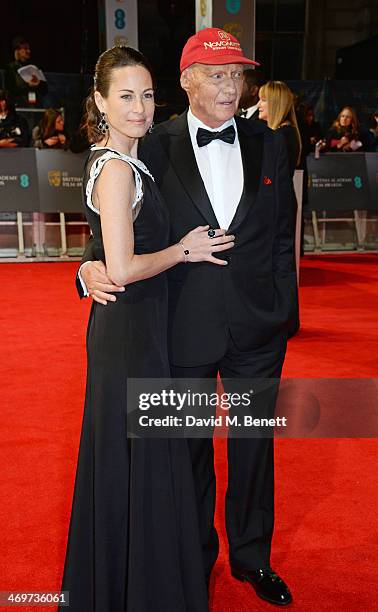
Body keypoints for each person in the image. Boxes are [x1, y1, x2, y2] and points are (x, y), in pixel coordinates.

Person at [79, 29, 297, 607]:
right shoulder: (151, 141)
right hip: (181, 330)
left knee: (255, 451)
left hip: (257, 330)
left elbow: (281, 236)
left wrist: (284, 312)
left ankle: (253, 559)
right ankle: (192, 557)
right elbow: (118, 220)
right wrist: (87, 269)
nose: (230, 86)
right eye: (217, 74)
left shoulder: (272, 143)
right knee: (189, 451)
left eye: (237, 74)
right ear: (188, 81)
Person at [59, 45, 236, 612]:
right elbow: (123, 268)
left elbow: (106, 252)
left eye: (147, 95)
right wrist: (182, 251)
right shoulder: (114, 167)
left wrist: (87, 266)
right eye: (126, 96)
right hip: (131, 336)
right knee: (136, 461)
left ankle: (134, 587)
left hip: (140, 332)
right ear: (100, 102)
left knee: (137, 463)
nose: (140, 108)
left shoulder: (127, 160)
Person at [257, 80, 302, 177]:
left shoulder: (281, 135)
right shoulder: (286, 132)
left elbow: (273, 178)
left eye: (263, 100)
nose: (258, 105)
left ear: (276, 103)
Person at [4, 36, 47, 107]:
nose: (29, 51)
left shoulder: (34, 67)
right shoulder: (10, 68)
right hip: (19, 108)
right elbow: (10, 91)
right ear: (17, 51)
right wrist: (28, 86)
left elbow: (45, 90)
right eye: (25, 48)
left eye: (29, 49)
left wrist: (39, 83)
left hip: (36, 108)